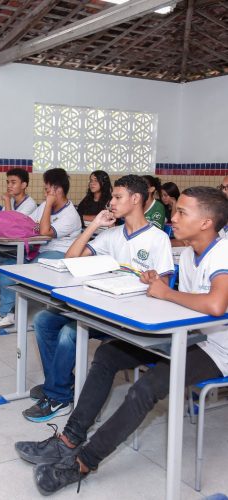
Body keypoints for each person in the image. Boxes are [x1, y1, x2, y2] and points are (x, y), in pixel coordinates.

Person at [15, 186, 228, 496]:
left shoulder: (221, 253)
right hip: (189, 335)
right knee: (107, 354)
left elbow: (216, 305)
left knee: (145, 388)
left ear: (207, 222)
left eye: (182, 212)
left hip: (217, 350)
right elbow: (194, 299)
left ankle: (83, 463)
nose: (173, 215)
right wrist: (156, 282)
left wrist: (166, 292)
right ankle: (68, 440)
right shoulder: (194, 253)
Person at [22, 175, 174, 422]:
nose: (111, 202)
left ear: (135, 199)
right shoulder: (112, 234)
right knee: (42, 320)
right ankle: (60, 383)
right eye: (112, 197)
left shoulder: (158, 239)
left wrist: (152, 279)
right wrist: (94, 226)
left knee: (69, 333)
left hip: (129, 314)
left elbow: (165, 285)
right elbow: (71, 258)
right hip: (101, 305)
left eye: (117, 197)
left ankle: (58, 396)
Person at [0, 168, 81, 333]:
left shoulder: (70, 215)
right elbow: (26, 222)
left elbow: (43, 232)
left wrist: (47, 205)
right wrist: (44, 210)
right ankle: (10, 312)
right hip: (40, 250)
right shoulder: (44, 205)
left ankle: (2, 313)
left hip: (60, 255)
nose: (45, 193)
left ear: (58, 190)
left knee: (22, 271)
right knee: (8, 268)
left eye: (47, 189)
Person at [0, 168, 37, 289]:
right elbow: (2, 220)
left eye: (13, 182)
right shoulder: (13, 201)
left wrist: (7, 201)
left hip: (21, 247)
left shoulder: (30, 204)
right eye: (8, 182)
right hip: (7, 244)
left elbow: (10, 223)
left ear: (24, 185)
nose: (9, 186)